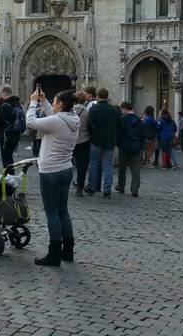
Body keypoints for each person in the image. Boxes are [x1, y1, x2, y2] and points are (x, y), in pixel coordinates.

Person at [25, 88, 79, 265]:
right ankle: (68, 250)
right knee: (63, 210)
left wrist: (34, 102)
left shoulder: (57, 122)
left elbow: (31, 122)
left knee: (52, 212)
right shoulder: (74, 119)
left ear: (61, 104)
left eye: (55, 101)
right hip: (66, 169)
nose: (53, 104)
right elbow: (54, 117)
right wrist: (46, 101)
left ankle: (54, 253)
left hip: (50, 171)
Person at [85, 88, 120, 196]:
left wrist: (92, 134)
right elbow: (119, 124)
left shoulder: (94, 109)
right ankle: (107, 188)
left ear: (98, 96)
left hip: (96, 139)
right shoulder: (113, 109)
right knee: (108, 165)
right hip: (110, 140)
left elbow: (89, 124)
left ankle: (91, 186)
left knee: (94, 163)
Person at [0, 86, 22, 175]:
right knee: (10, 156)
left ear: (4, 94)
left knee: (6, 158)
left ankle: (8, 178)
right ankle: (10, 176)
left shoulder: (5, 105)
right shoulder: (18, 104)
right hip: (16, 134)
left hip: (6, 135)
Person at [116, 102, 144, 196]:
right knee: (135, 169)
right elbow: (142, 135)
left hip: (124, 146)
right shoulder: (139, 120)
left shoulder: (122, 119)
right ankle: (134, 189)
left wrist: (119, 144)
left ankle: (121, 186)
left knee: (122, 168)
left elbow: (119, 133)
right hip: (135, 147)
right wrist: (140, 146)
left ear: (124, 109)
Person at [73, 88, 96, 195]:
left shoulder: (70, 111)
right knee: (82, 166)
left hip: (71, 141)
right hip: (84, 141)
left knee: (67, 164)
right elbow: (91, 127)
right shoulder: (87, 112)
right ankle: (80, 188)